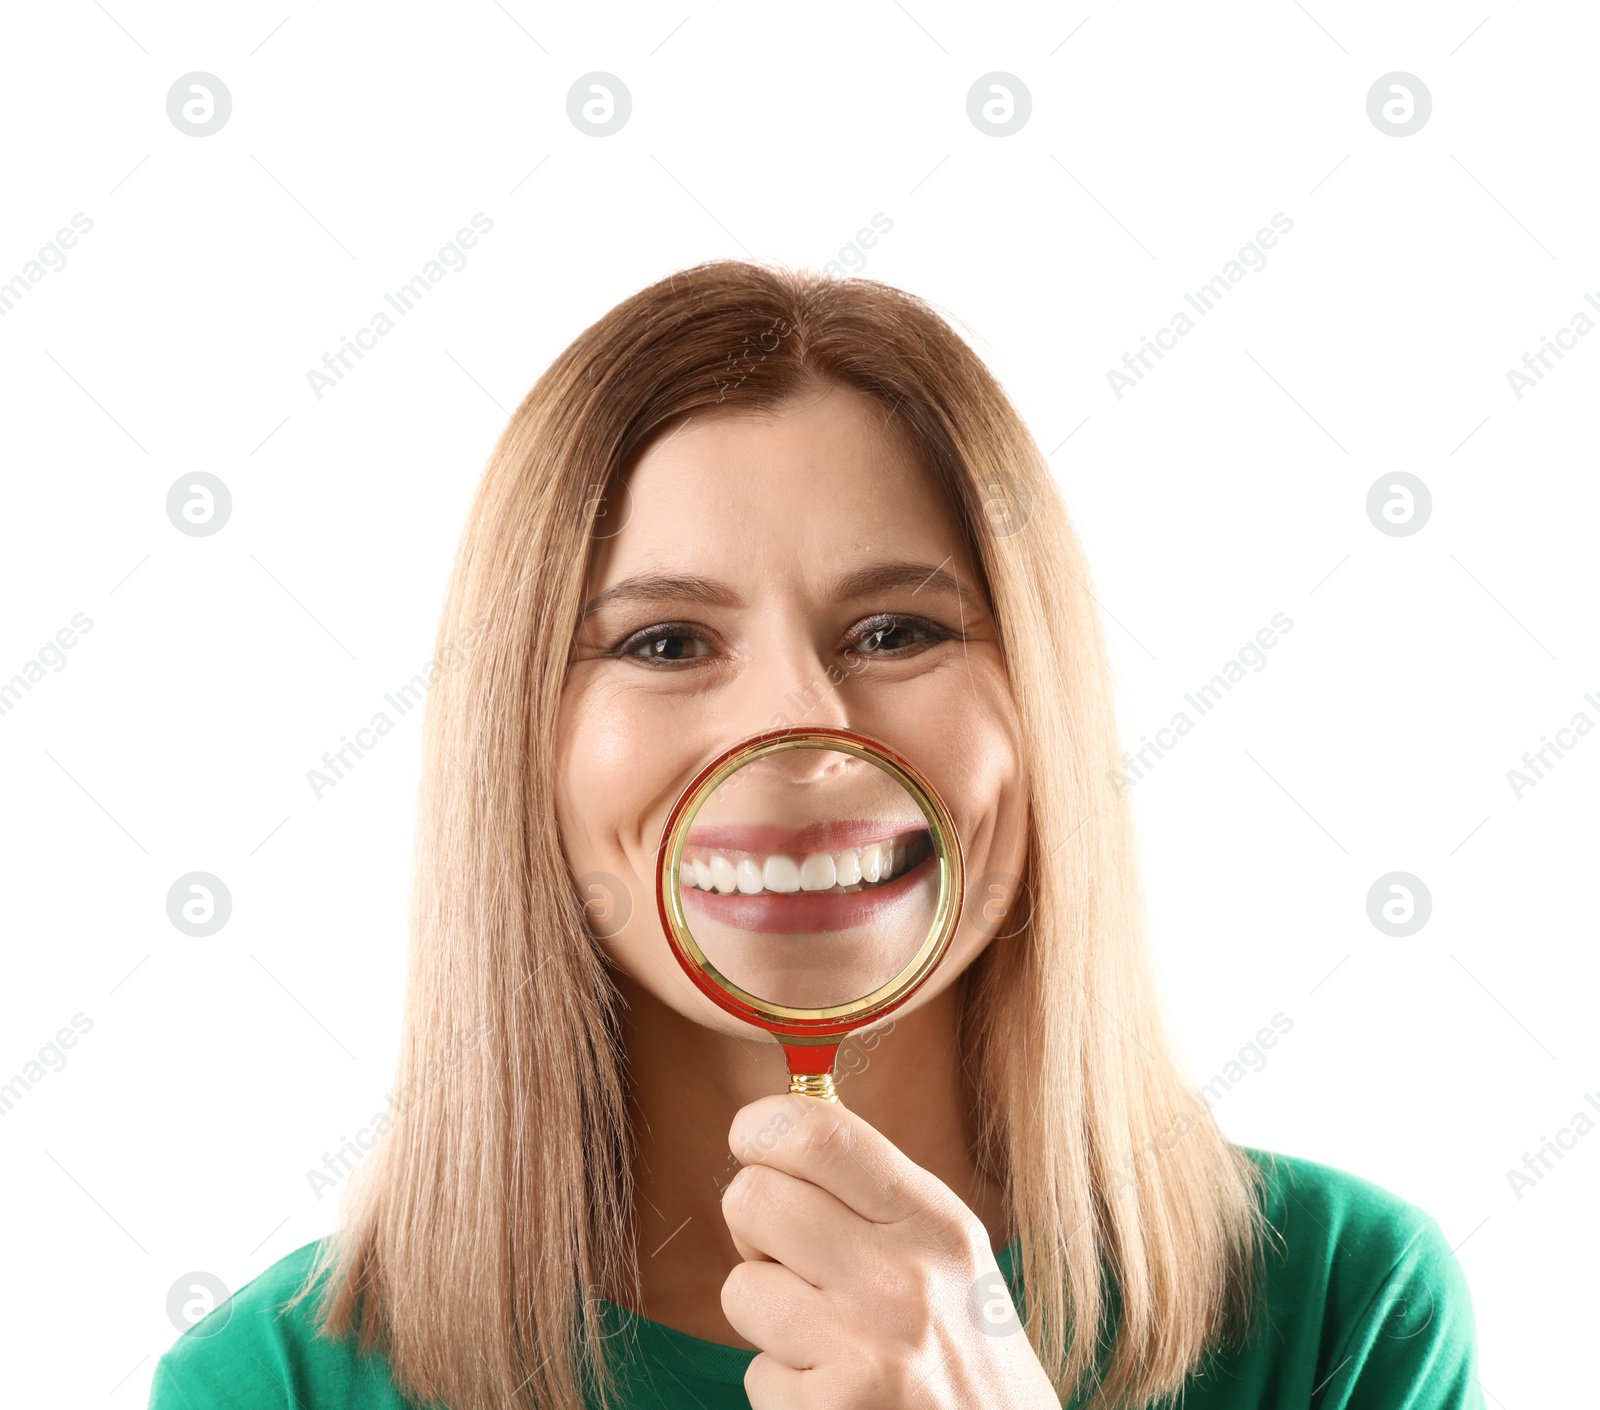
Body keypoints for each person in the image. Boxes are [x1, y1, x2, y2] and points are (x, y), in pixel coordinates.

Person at [149, 261, 1483, 1409]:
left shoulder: (1339, 1307)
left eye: (897, 631)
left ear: (1038, 706)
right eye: (666, 641)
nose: (801, 718)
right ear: (523, 750)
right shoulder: (273, 1380)